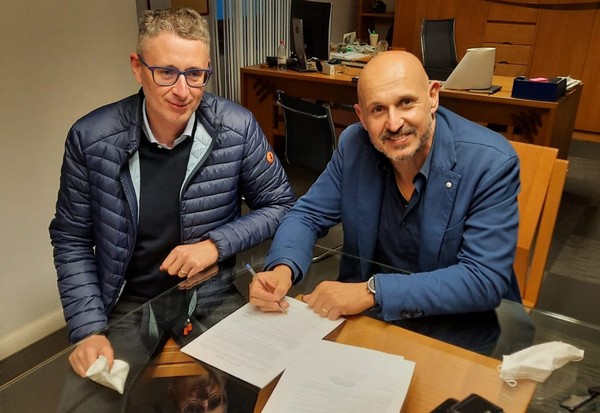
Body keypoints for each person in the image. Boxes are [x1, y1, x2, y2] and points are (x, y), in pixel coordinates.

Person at [49, 7, 294, 378]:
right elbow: (71, 238)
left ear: (207, 69)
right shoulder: (91, 138)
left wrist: (215, 246)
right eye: (166, 72)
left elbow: (280, 205)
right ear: (137, 68)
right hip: (128, 300)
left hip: (210, 292)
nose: (182, 91)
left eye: (195, 74)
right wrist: (88, 330)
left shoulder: (237, 127)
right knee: (88, 399)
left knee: (269, 380)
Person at [249, 51, 522, 322]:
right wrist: (282, 268)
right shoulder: (355, 145)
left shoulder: (490, 163)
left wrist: (373, 292)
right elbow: (307, 215)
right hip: (370, 319)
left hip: (455, 325)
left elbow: (484, 279)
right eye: (378, 109)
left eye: (406, 102)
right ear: (361, 116)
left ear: (433, 97)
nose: (394, 124)